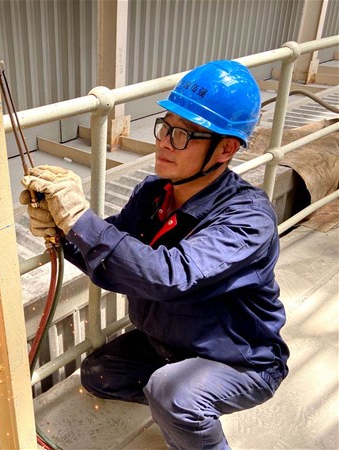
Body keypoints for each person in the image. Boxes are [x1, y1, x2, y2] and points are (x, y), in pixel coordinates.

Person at [20, 60, 289, 449]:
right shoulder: (153, 193)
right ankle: (177, 402)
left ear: (226, 148)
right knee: (97, 375)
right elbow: (114, 256)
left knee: (173, 394)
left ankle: (189, 411)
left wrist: (79, 217)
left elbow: (169, 276)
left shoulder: (247, 218)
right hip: (169, 343)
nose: (164, 141)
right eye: (166, 126)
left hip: (239, 358)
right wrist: (62, 232)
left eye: (183, 135)